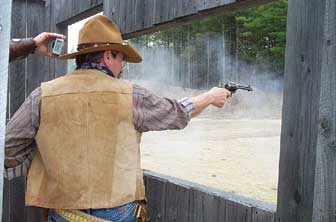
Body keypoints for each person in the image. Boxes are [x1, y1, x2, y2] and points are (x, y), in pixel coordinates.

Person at [5, 15, 232, 222]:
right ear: (107, 56)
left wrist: (45, 154)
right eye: (120, 59)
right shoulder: (131, 94)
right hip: (118, 214)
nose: (122, 67)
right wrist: (210, 97)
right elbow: (176, 113)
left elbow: (7, 150)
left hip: (63, 213)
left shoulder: (41, 95)